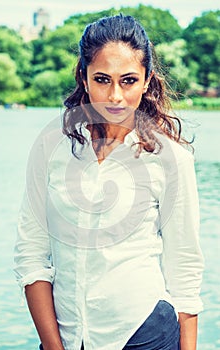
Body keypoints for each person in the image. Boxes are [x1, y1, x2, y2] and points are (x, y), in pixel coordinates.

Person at [14, 14, 204, 350]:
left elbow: (184, 269)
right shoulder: (51, 148)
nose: (115, 96)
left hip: (146, 334)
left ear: (146, 81)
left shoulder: (171, 158)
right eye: (102, 79)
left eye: (128, 80)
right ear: (84, 79)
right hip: (65, 337)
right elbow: (31, 254)